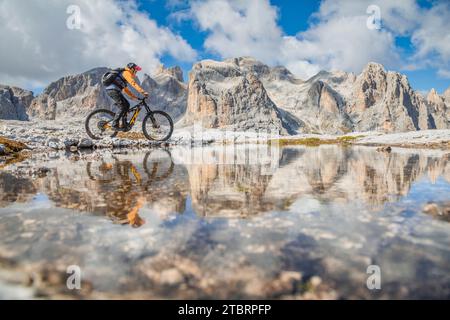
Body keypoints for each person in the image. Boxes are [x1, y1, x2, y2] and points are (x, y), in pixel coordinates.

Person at [104, 62, 149, 130]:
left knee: (127, 105)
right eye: (135, 70)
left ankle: (124, 124)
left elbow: (125, 90)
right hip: (112, 90)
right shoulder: (127, 73)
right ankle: (114, 125)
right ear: (132, 69)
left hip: (114, 90)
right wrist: (143, 92)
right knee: (122, 106)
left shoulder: (124, 76)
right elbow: (133, 83)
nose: (136, 72)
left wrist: (134, 97)